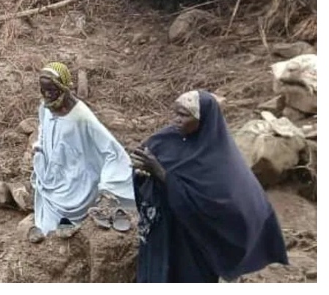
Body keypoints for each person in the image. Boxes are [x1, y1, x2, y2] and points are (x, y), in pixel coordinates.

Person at [131, 91, 289, 283]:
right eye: (176, 113)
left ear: (203, 119)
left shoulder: (219, 158)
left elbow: (219, 204)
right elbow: (143, 165)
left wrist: (161, 173)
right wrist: (141, 174)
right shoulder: (165, 139)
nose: (177, 120)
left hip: (194, 240)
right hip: (163, 231)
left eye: (184, 115)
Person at [29, 61, 135, 243]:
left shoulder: (81, 116)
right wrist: (40, 147)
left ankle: (69, 224)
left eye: (52, 90)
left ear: (63, 88)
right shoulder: (45, 107)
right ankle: (48, 230)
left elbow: (112, 150)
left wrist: (107, 185)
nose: (47, 95)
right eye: (43, 90)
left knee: (68, 207)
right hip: (53, 174)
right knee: (47, 223)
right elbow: (44, 129)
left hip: (77, 180)